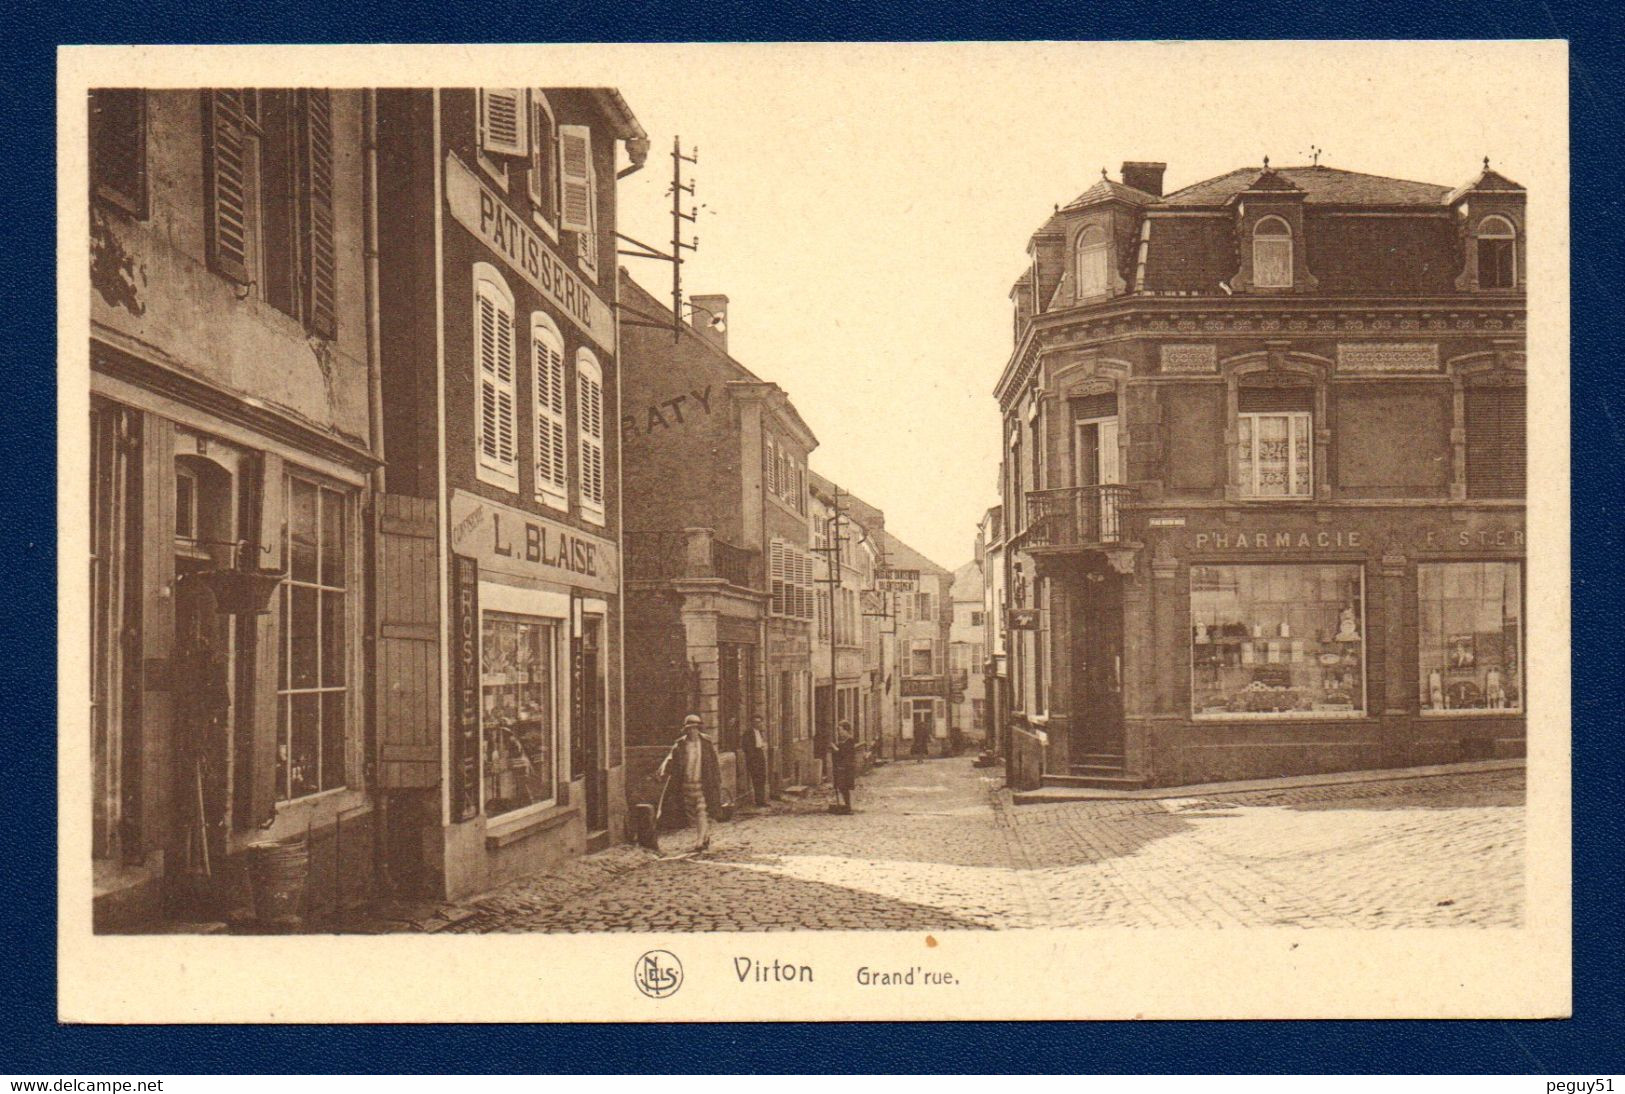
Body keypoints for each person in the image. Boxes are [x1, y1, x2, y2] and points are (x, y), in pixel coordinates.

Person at [657, 714, 723, 852]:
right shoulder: (680, 744)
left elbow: (714, 763)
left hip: (703, 782)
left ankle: (699, 840)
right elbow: (670, 760)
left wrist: (717, 780)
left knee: (702, 810)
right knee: (692, 812)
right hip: (686, 782)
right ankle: (705, 835)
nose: (693, 731)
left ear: (699, 729)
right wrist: (663, 771)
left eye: (695, 728)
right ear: (686, 729)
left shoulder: (706, 743)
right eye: (690, 728)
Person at [831, 720, 859, 811]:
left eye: (840, 730)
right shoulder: (843, 741)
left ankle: (848, 806)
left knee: (844, 786)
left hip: (847, 767)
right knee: (841, 786)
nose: (839, 732)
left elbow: (843, 753)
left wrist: (834, 747)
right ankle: (847, 805)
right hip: (842, 766)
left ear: (846, 730)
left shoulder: (850, 741)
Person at [744, 716, 770, 808]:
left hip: (760, 755)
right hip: (753, 758)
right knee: (756, 779)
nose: (758, 724)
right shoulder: (748, 733)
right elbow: (747, 747)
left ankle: (762, 800)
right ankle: (759, 801)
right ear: (752, 723)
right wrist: (753, 760)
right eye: (756, 722)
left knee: (762, 778)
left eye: (760, 722)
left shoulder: (760, 732)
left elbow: (760, 744)